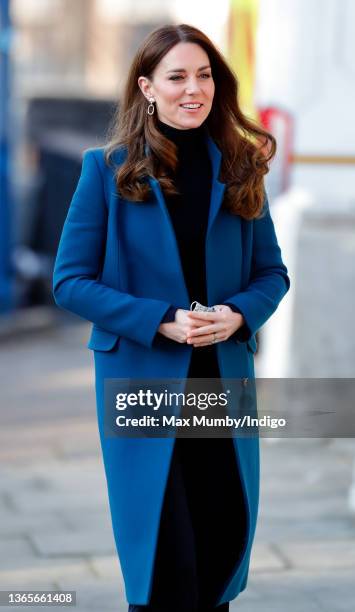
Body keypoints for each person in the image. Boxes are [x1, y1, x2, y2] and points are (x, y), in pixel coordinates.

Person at [53, 23, 290, 612]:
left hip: (221, 386)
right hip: (143, 386)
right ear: (147, 88)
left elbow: (272, 274)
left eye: (204, 75)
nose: (194, 89)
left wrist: (237, 315)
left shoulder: (240, 166)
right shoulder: (105, 170)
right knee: (164, 561)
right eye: (177, 76)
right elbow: (70, 282)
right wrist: (160, 318)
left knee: (218, 551)